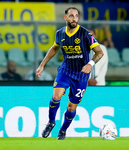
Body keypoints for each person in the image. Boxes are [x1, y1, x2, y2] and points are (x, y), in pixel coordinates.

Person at [36, 7, 104, 140]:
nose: (74, 19)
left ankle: (62, 131)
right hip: (66, 70)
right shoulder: (60, 33)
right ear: (65, 18)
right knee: (56, 96)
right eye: (71, 16)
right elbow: (55, 47)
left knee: (71, 107)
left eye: (76, 16)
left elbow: (99, 52)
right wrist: (42, 64)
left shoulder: (85, 34)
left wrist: (90, 64)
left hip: (81, 75)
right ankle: (51, 122)